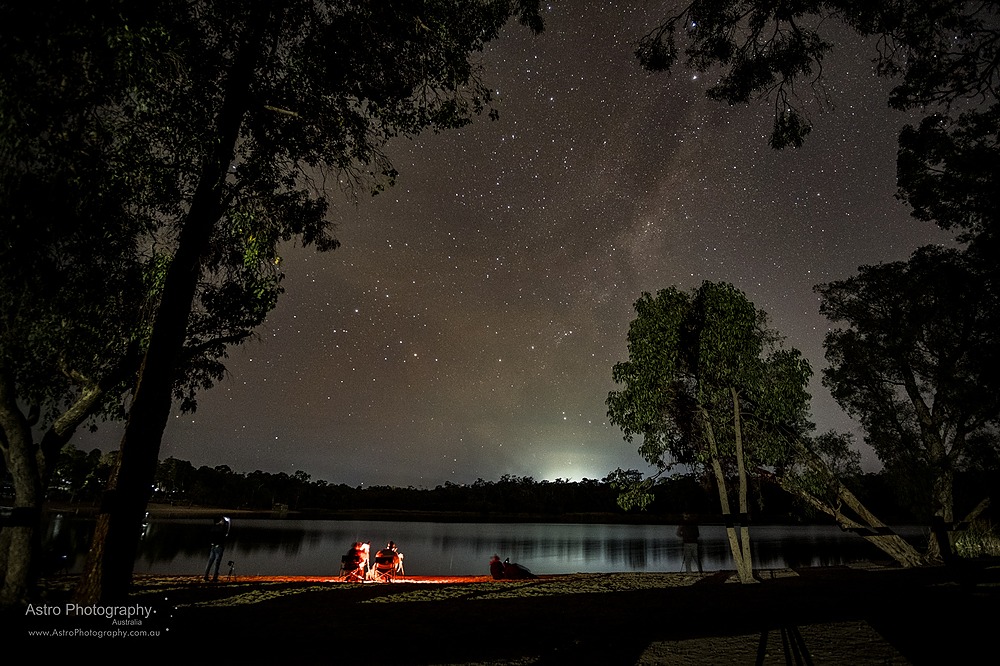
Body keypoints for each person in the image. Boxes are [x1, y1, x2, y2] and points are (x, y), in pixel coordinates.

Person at [205, 515, 231, 582]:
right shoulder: (221, 529)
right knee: (217, 563)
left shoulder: (214, 527)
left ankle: (206, 576)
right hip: (219, 547)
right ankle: (214, 577)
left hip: (213, 546)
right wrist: (228, 523)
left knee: (210, 562)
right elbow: (226, 532)